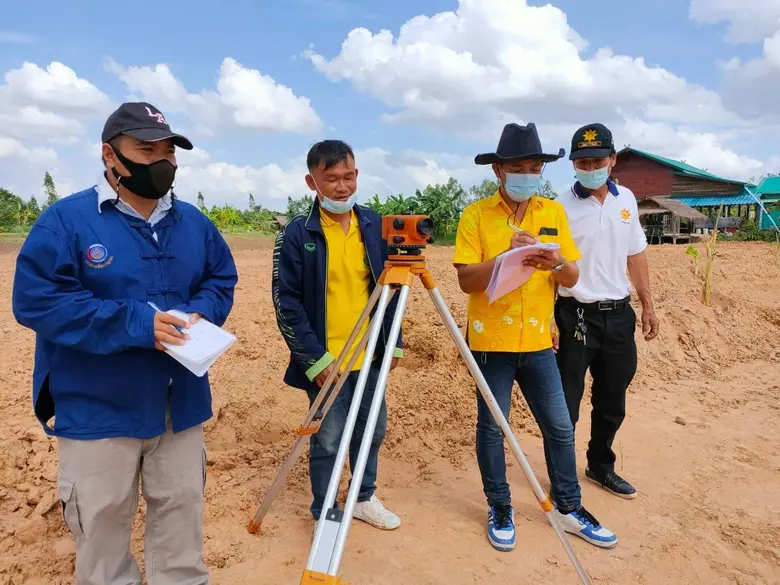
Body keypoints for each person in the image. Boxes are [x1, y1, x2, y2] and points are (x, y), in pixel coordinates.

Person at [11, 101, 238, 585]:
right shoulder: (67, 221)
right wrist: (135, 323)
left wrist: (203, 312)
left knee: (181, 524)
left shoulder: (195, 223)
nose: (162, 161)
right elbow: (37, 301)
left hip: (180, 406)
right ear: (110, 156)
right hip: (98, 411)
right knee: (102, 531)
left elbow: (221, 279)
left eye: (169, 151)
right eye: (146, 149)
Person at [453, 122, 618, 552]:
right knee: (493, 429)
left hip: (539, 342)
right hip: (491, 345)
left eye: (534, 167)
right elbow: (466, 280)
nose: (527, 174)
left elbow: (571, 275)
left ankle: (568, 507)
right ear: (499, 172)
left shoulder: (552, 212)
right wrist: (508, 255)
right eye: (518, 168)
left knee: (560, 428)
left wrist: (553, 261)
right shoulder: (476, 216)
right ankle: (500, 507)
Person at [272, 139, 403, 530]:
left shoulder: (374, 225)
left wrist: (392, 342)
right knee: (328, 439)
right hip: (328, 361)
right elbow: (286, 304)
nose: (342, 187)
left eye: (348, 177)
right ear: (312, 182)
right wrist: (315, 361)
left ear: (357, 175)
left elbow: (391, 287)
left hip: (371, 356)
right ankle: (324, 511)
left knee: (372, 429)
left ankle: (363, 497)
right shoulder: (297, 234)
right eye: (331, 179)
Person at [554, 123, 660, 500]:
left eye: (597, 160)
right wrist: (551, 319)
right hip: (575, 316)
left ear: (612, 160)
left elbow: (636, 255)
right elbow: (550, 265)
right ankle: (561, 474)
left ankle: (600, 466)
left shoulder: (626, 200)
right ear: (573, 165)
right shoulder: (558, 207)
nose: (589, 167)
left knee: (612, 398)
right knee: (566, 401)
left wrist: (647, 304)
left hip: (618, 315)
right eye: (582, 162)